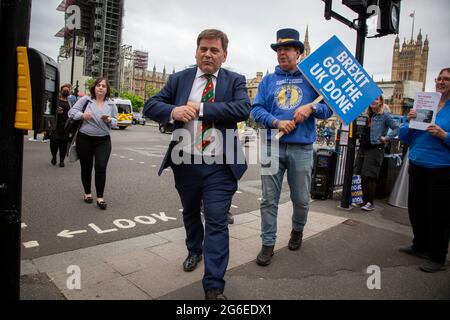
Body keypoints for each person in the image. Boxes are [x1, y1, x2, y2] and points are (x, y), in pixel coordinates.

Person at [144, 29, 251, 300]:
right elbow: (150, 105)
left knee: (216, 220)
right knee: (190, 212)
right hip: (186, 162)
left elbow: (242, 109)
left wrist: (201, 108)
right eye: (203, 48)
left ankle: (213, 286)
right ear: (196, 51)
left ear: (224, 56)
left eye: (214, 50)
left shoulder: (235, 80)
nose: (208, 54)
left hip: (220, 164)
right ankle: (194, 249)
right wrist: (173, 111)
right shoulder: (179, 79)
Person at [251, 28, 333, 266]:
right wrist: (276, 122)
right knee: (268, 199)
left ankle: (297, 230)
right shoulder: (268, 80)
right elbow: (256, 111)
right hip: (271, 145)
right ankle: (268, 243)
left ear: (298, 52)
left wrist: (312, 108)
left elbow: (327, 109)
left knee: (301, 198)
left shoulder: (312, 80)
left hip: (301, 148)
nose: (282, 53)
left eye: (287, 48)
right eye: (279, 49)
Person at [398, 67, 450, 273]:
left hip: (442, 168)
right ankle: (419, 245)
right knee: (416, 208)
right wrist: (409, 120)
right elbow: (404, 136)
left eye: (446, 79)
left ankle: (437, 257)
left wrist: (444, 135)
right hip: (417, 163)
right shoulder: (425, 103)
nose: (441, 81)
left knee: (439, 214)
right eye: (439, 78)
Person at [68, 78, 117, 210]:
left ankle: (100, 198)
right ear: (94, 88)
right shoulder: (86, 100)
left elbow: (115, 122)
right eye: (98, 85)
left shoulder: (111, 104)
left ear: (107, 90)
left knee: (101, 167)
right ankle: (87, 193)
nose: (101, 88)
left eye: (104, 86)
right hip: (85, 139)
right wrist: (82, 115)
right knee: (86, 167)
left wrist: (109, 120)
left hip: (103, 140)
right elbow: (71, 112)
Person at [353, 96, 399, 211]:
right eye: (371, 99)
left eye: (377, 99)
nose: (373, 101)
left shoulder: (385, 115)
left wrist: (386, 138)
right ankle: (364, 201)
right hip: (363, 147)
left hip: (375, 148)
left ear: (381, 102)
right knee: (362, 174)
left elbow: (397, 128)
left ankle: (370, 203)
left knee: (370, 176)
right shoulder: (366, 114)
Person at [49, 84, 71, 167]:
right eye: (64, 90)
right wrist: (56, 112)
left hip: (65, 126)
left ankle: (62, 161)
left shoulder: (70, 101)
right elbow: (49, 110)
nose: (66, 91)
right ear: (61, 91)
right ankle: (54, 157)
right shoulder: (55, 101)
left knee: (64, 144)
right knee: (54, 143)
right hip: (56, 125)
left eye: (67, 90)